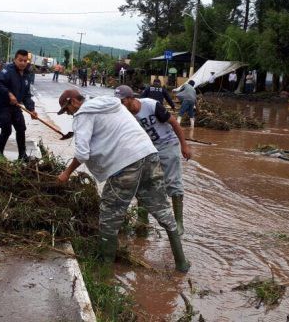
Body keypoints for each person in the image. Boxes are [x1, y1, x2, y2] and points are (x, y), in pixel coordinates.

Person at [55, 89, 189, 273]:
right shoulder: (110, 103)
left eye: (67, 110)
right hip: (149, 154)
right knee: (161, 208)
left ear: (73, 102)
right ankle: (182, 263)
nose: (69, 114)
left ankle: (104, 269)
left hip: (125, 164)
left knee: (109, 214)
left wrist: (66, 173)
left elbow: (82, 153)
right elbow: (108, 132)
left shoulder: (82, 115)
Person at [116, 85, 191, 235]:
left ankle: (178, 223)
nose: (120, 105)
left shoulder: (150, 106)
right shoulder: (125, 115)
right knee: (142, 182)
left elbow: (174, 123)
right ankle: (142, 220)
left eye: (122, 101)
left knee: (173, 182)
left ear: (131, 98)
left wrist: (184, 145)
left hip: (167, 144)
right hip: (148, 148)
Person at [0, 49, 37, 161]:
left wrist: (31, 109)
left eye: (25, 61)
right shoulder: (8, 71)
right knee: (7, 129)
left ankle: (22, 156)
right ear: (15, 59)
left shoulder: (26, 75)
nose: (23, 63)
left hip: (15, 107)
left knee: (21, 128)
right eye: (20, 60)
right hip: (2, 105)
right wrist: (9, 94)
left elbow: (26, 95)